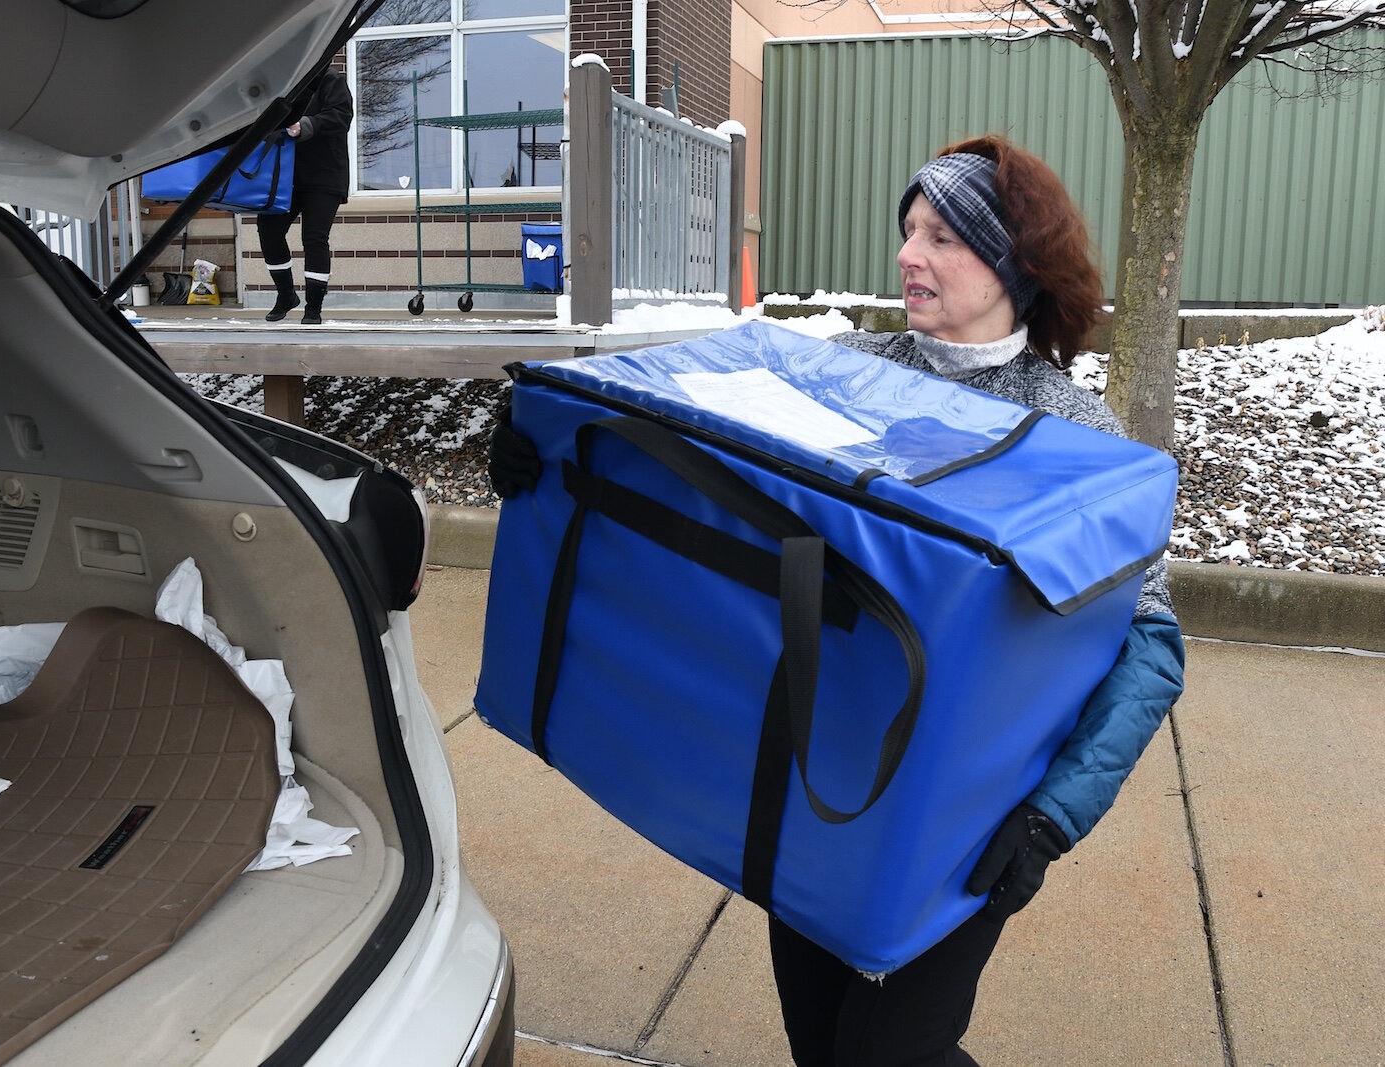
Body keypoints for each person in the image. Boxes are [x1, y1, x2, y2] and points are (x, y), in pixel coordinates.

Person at [486, 134, 1186, 1066]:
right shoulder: (844, 366)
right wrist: (556, 456)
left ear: (1014, 261)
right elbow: (691, 460)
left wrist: (1054, 814)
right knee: (821, 1043)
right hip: (814, 773)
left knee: (896, 1050)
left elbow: (1151, 642)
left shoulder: (1074, 435)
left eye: (941, 236)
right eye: (907, 231)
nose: (908, 255)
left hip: (968, 818)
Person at [259, 64, 353, 324]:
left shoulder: (330, 80)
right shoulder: (281, 84)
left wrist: (306, 125)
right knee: (268, 229)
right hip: (286, 177)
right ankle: (286, 295)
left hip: (325, 175)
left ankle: (314, 308)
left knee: (314, 238)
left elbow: (341, 117)